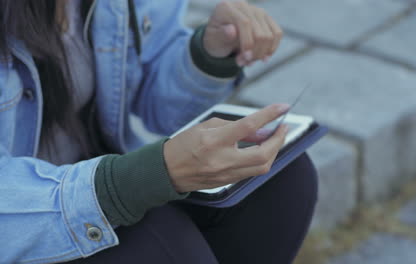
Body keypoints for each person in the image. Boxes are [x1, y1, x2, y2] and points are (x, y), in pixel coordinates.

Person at [0, 0, 318, 263]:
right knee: (158, 242)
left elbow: (158, 104)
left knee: (278, 181)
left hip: (96, 179)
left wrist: (208, 53)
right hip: (25, 220)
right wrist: (132, 182)